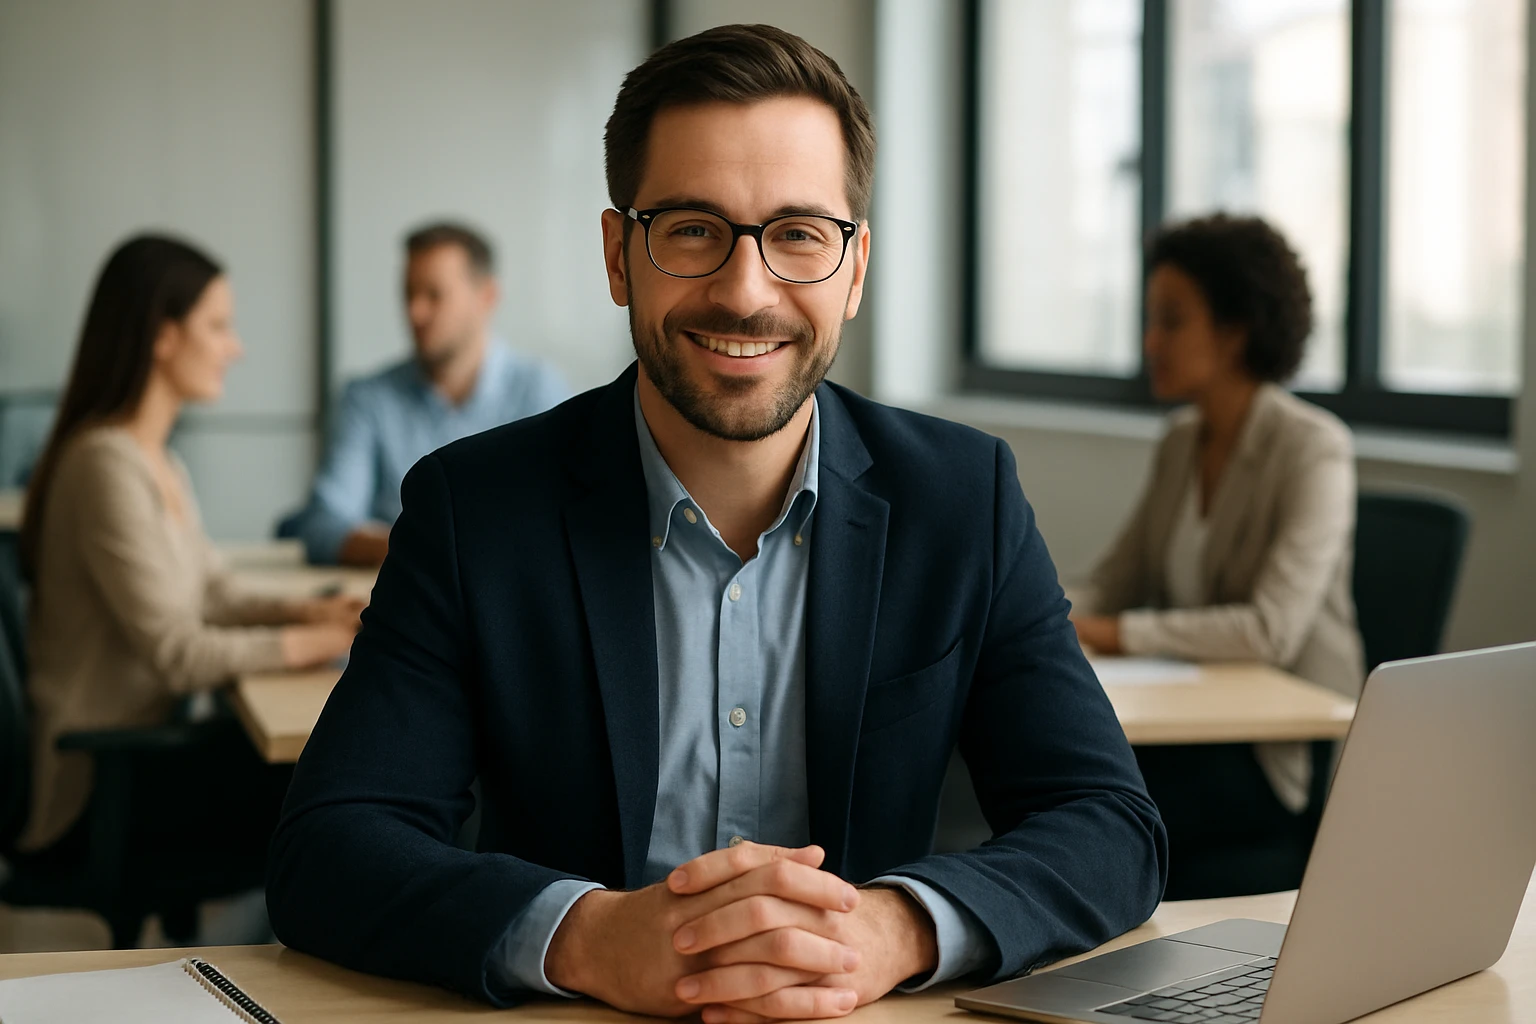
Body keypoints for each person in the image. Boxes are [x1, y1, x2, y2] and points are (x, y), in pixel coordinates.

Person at [267, 25, 1166, 1019]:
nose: (745, 291)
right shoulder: (474, 509)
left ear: (855, 269)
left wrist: (890, 927)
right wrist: (590, 935)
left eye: (798, 235)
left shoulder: (963, 496)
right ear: (621, 256)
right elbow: (332, 846)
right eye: (693, 229)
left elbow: (1110, 826)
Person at [16, 234, 362, 858]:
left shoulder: (158, 461)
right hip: (102, 783)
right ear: (163, 335)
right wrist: (323, 642)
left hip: (147, 752)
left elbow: (212, 589)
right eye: (219, 326)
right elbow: (177, 653)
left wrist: (310, 613)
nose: (235, 347)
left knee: (343, 779)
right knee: (343, 788)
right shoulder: (105, 466)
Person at [1069, 213, 1366, 896]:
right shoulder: (1181, 441)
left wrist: (1108, 633)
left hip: (1271, 754)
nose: (1150, 342)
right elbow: (1114, 579)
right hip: (1187, 731)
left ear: (1234, 332)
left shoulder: (1312, 447)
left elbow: (1269, 629)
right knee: (1058, 779)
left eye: (1171, 321)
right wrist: (1032, 616)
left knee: (1093, 811)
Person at [288, 222, 570, 566]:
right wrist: (431, 555)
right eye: (408, 293)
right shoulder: (368, 399)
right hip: (405, 601)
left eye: (434, 295)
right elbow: (322, 524)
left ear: (486, 297)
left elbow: (569, 519)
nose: (415, 312)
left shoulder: (540, 392)